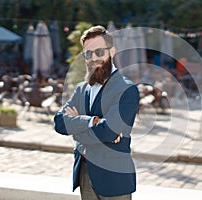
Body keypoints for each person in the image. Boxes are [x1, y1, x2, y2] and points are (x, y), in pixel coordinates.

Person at [54, 25, 139, 200]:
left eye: (99, 52)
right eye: (88, 53)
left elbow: (108, 131)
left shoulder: (127, 89)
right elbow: (59, 123)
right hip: (84, 174)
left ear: (112, 51)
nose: (93, 58)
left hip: (114, 179)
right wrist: (92, 122)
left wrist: (76, 128)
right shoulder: (81, 89)